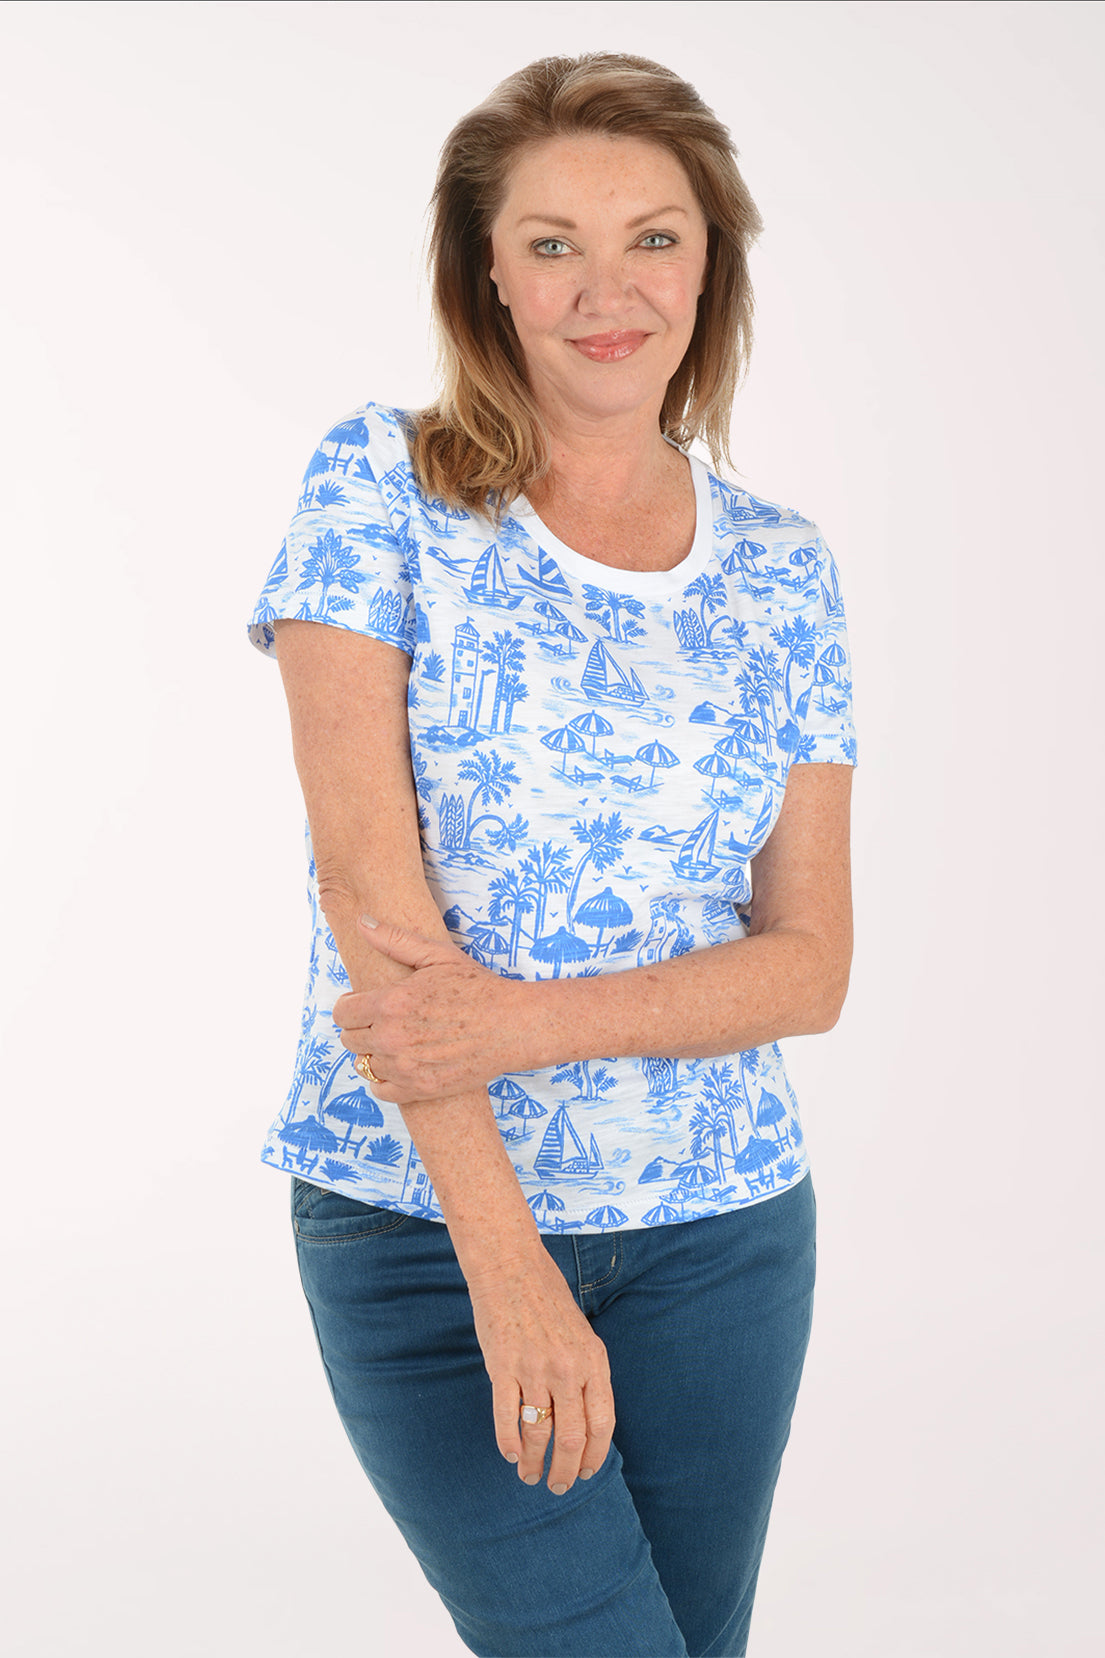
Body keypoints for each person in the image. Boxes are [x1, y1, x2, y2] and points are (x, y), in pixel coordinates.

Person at [249, 51, 855, 1658]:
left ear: (710, 264)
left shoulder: (784, 567)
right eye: (553, 243)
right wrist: (505, 1266)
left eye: (653, 238)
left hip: (724, 1228)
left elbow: (809, 964)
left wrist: (523, 1021)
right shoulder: (378, 484)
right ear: (486, 274)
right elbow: (371, 896)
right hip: (426, 1227)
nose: (608, 290)